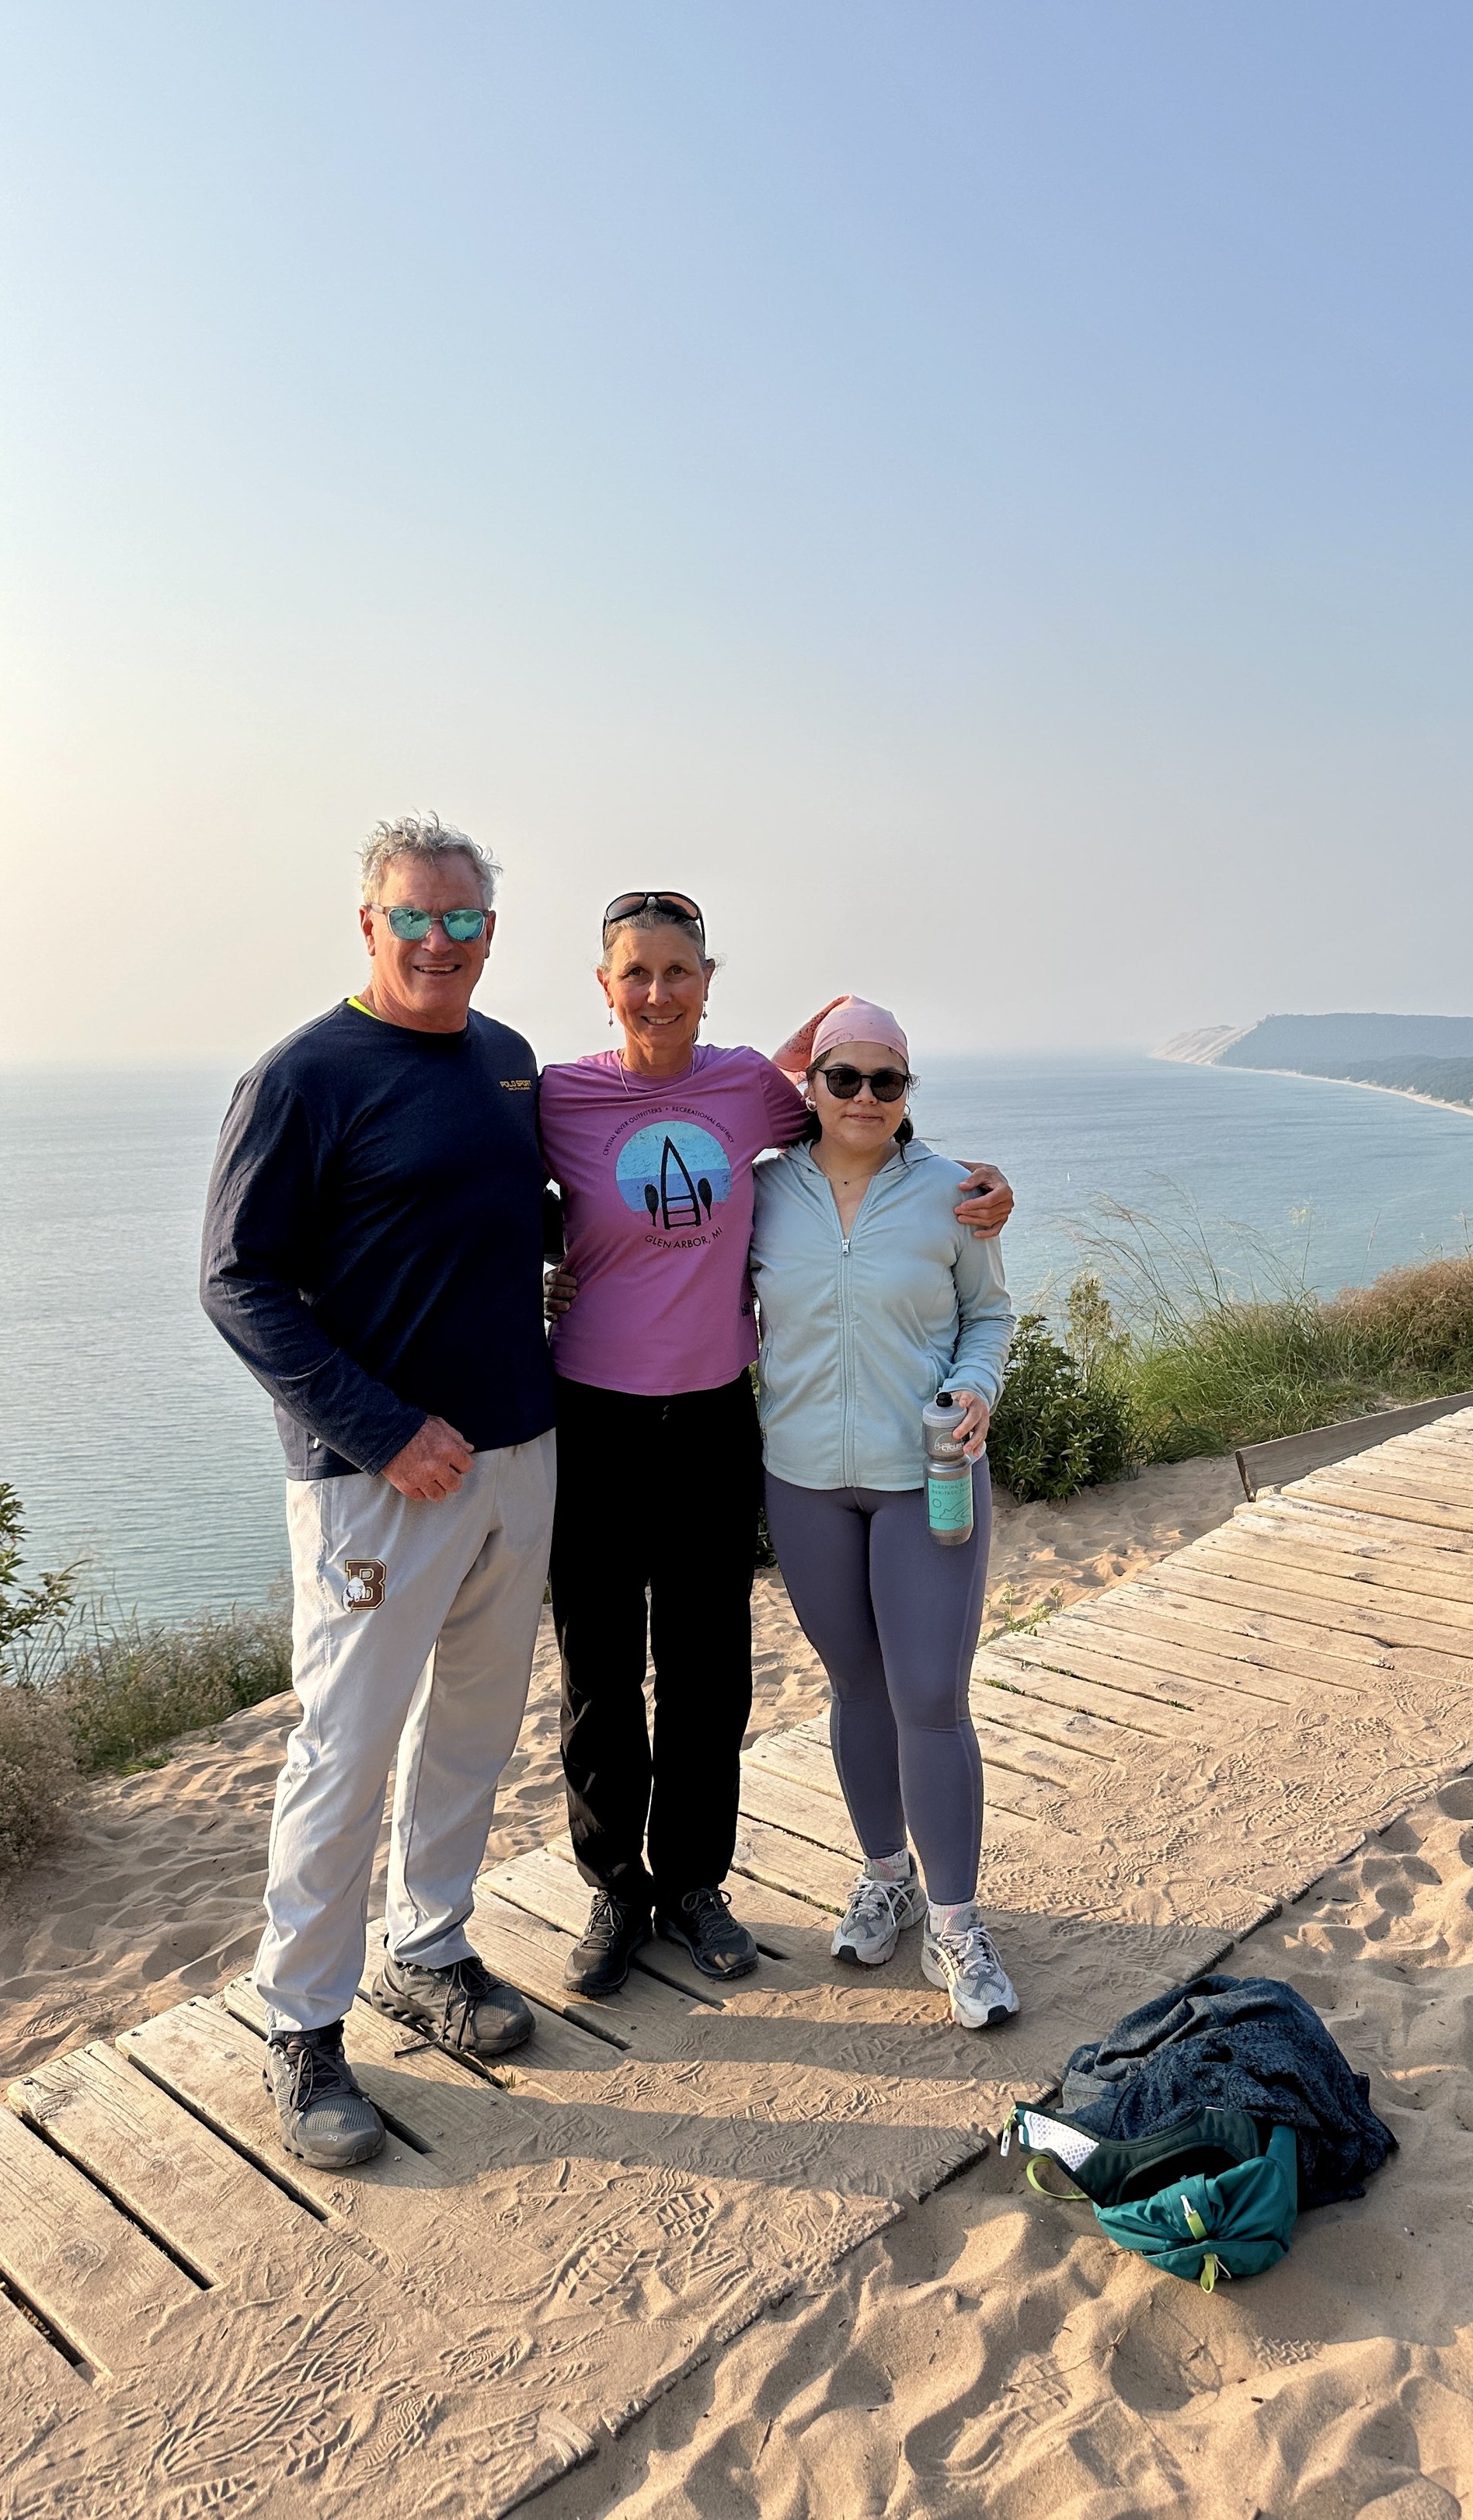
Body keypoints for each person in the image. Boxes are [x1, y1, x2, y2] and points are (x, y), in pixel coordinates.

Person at [540, 896, 1013, 1996]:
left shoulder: (754, 1083)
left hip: (713, 1416)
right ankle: (617, 1888)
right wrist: (535, 1262)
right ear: (604, 984)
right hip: (596, 1414)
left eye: (677, 971)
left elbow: (858, 1095)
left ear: (709, 980)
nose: (657, 991)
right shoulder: (559, 1094)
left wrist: (984, 1190)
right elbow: (494, 1193)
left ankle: (696, 1883)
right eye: (635, 972)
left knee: (708, 1667)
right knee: (602, 1666)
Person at [201, 816, 553, 2170]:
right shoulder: (300, 1077)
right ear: (368, 923)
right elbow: (239, 1283)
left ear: (489, 933)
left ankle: (432, 1947)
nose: (440, 943)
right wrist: (387, 1425)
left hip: (522, 1454)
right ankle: (301, 2024)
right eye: (416, 917)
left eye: (464, 922)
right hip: (372, 1477)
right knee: (345, 1746)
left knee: (474, 1722)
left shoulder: (507, 1061)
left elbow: (522, 1215)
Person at [750, 997, 1019, 2028]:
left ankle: (955, 1923)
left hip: (929, 1477)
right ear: (810, 1086)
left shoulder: (955, 1192)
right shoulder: (765, 1193)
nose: (866, 1098)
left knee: (929, 1694)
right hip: (805, 1475)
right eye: (844, 1077)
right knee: (855, 1683)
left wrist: (978, 1388)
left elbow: (990, 1312)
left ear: (909, 1092)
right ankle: (885, 1874)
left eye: (888, 1080)